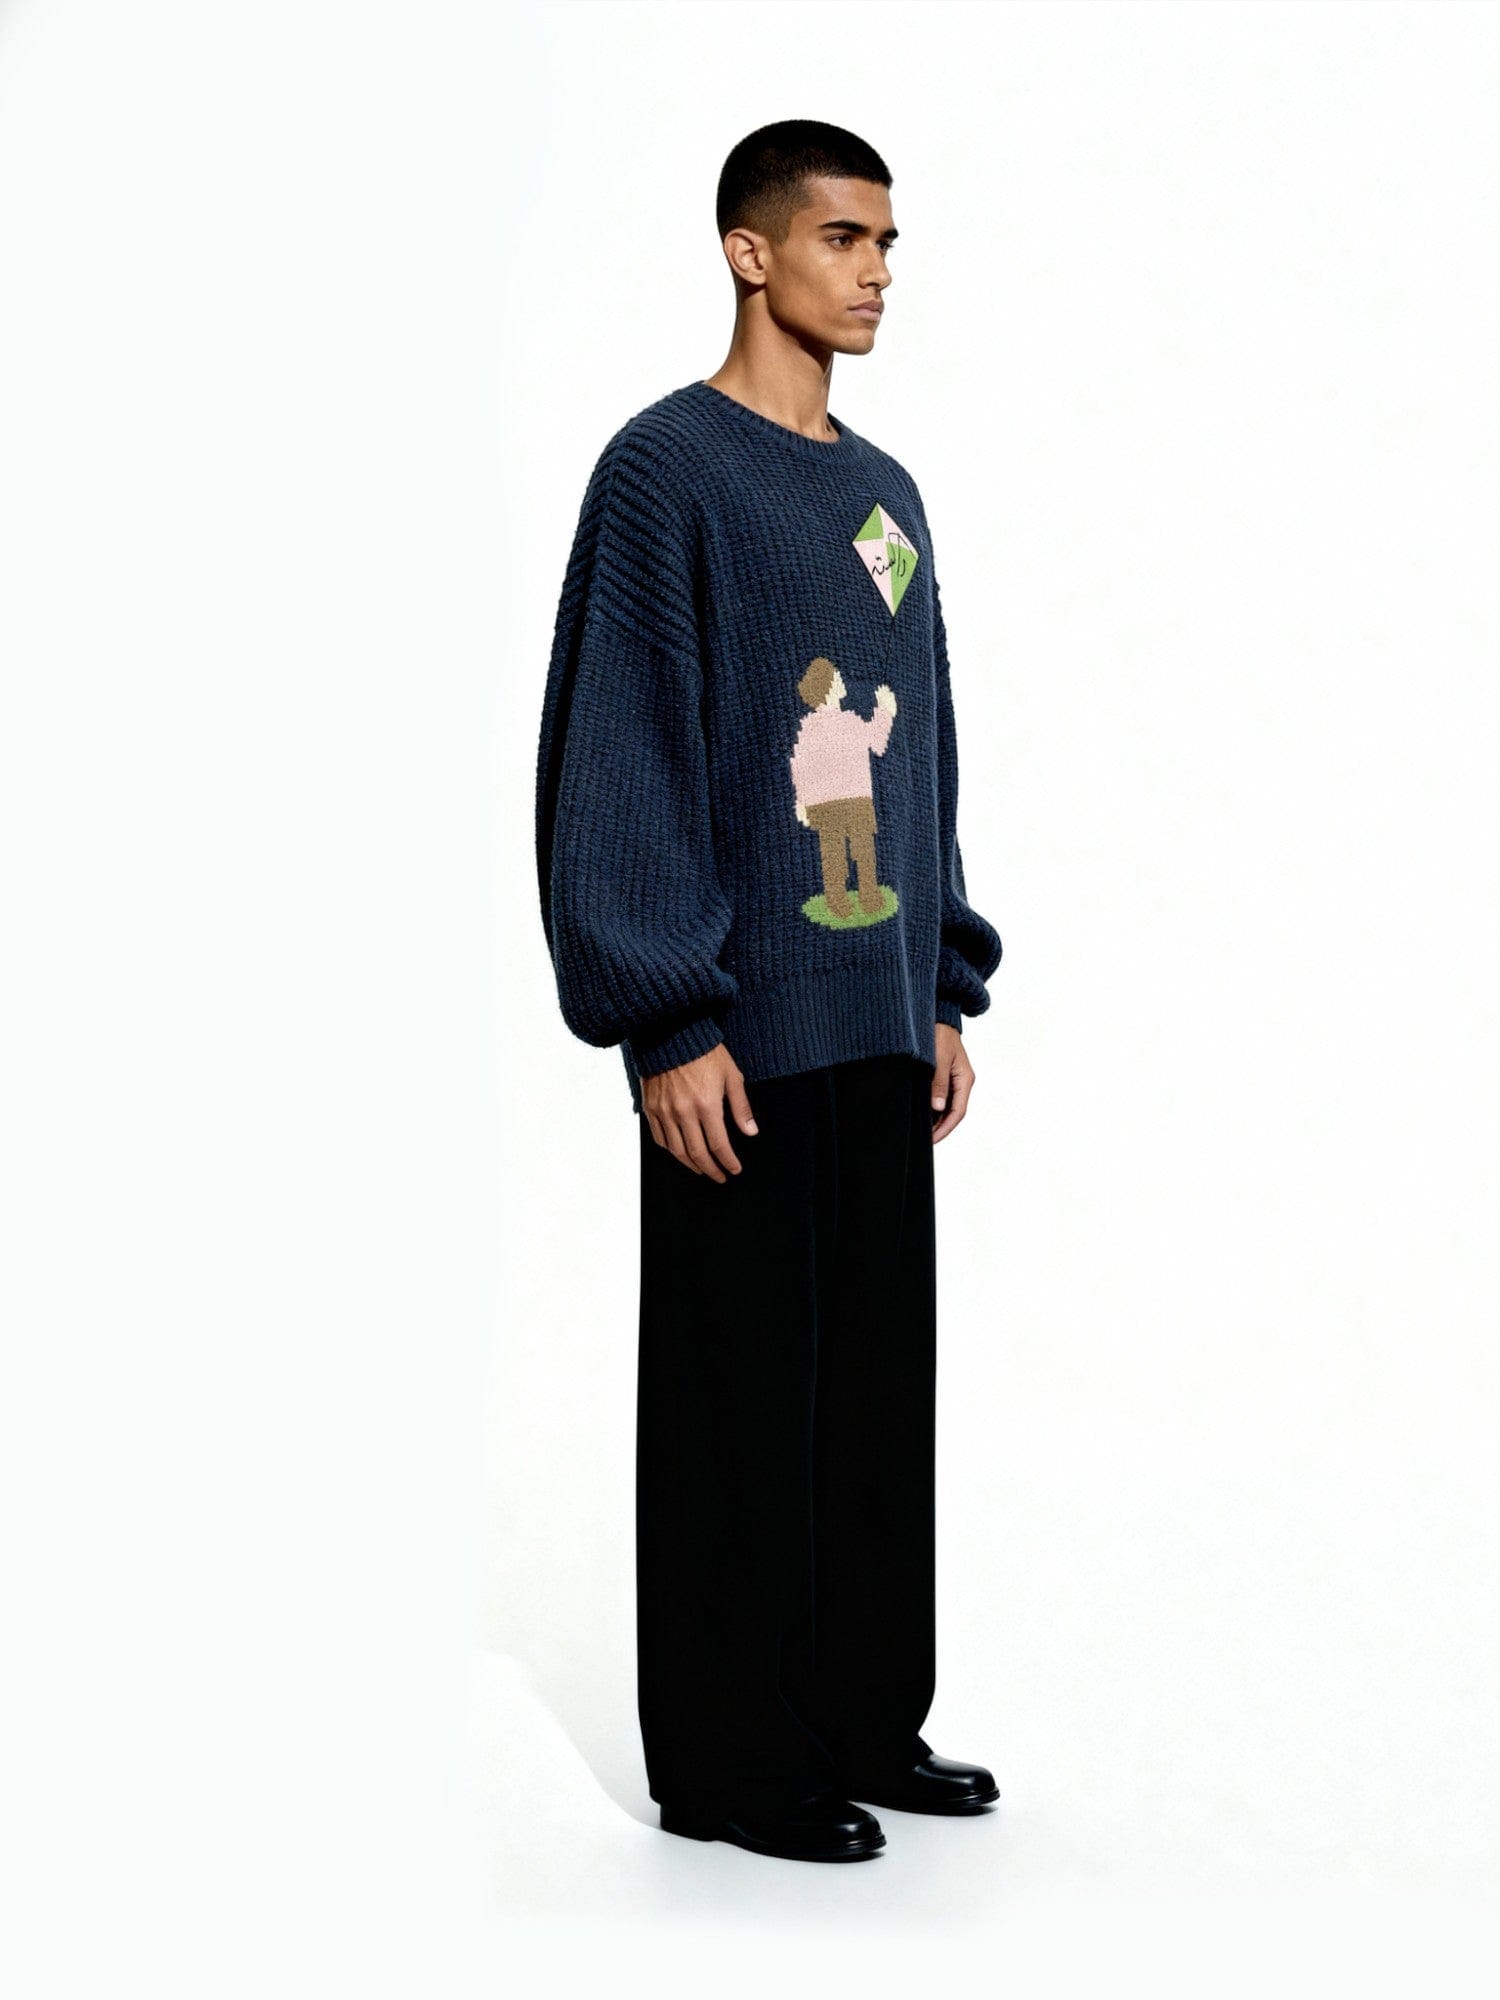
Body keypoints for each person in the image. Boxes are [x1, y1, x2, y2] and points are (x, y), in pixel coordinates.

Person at [533, 119, 1004, 1864]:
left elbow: (924, 748)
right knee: (739, 1400)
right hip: (735, 1028)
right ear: (750, 251)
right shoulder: (665, 473)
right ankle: (734, 1767)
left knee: (870, 1396)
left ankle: (863, 1718)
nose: (874, 271)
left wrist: (942, 977)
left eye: (888, 242)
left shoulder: (889, 498)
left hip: (877, 1017)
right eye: (840, 238)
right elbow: (621, 749)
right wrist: (666, 1016)